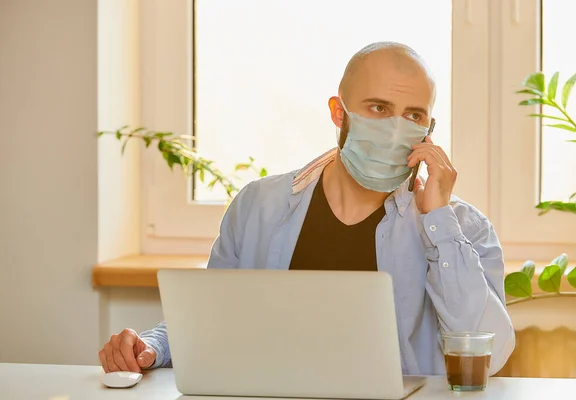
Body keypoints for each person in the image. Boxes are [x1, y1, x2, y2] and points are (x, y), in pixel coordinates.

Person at [99, 42, 515, 376]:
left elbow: (487, 353)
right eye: (378, 108)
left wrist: (439, 221)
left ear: (429, 130)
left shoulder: (462, 228)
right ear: (339, 113)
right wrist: (151, 347)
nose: (395, 128)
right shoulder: (258, 206)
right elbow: (212, 320)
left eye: (413, 115)